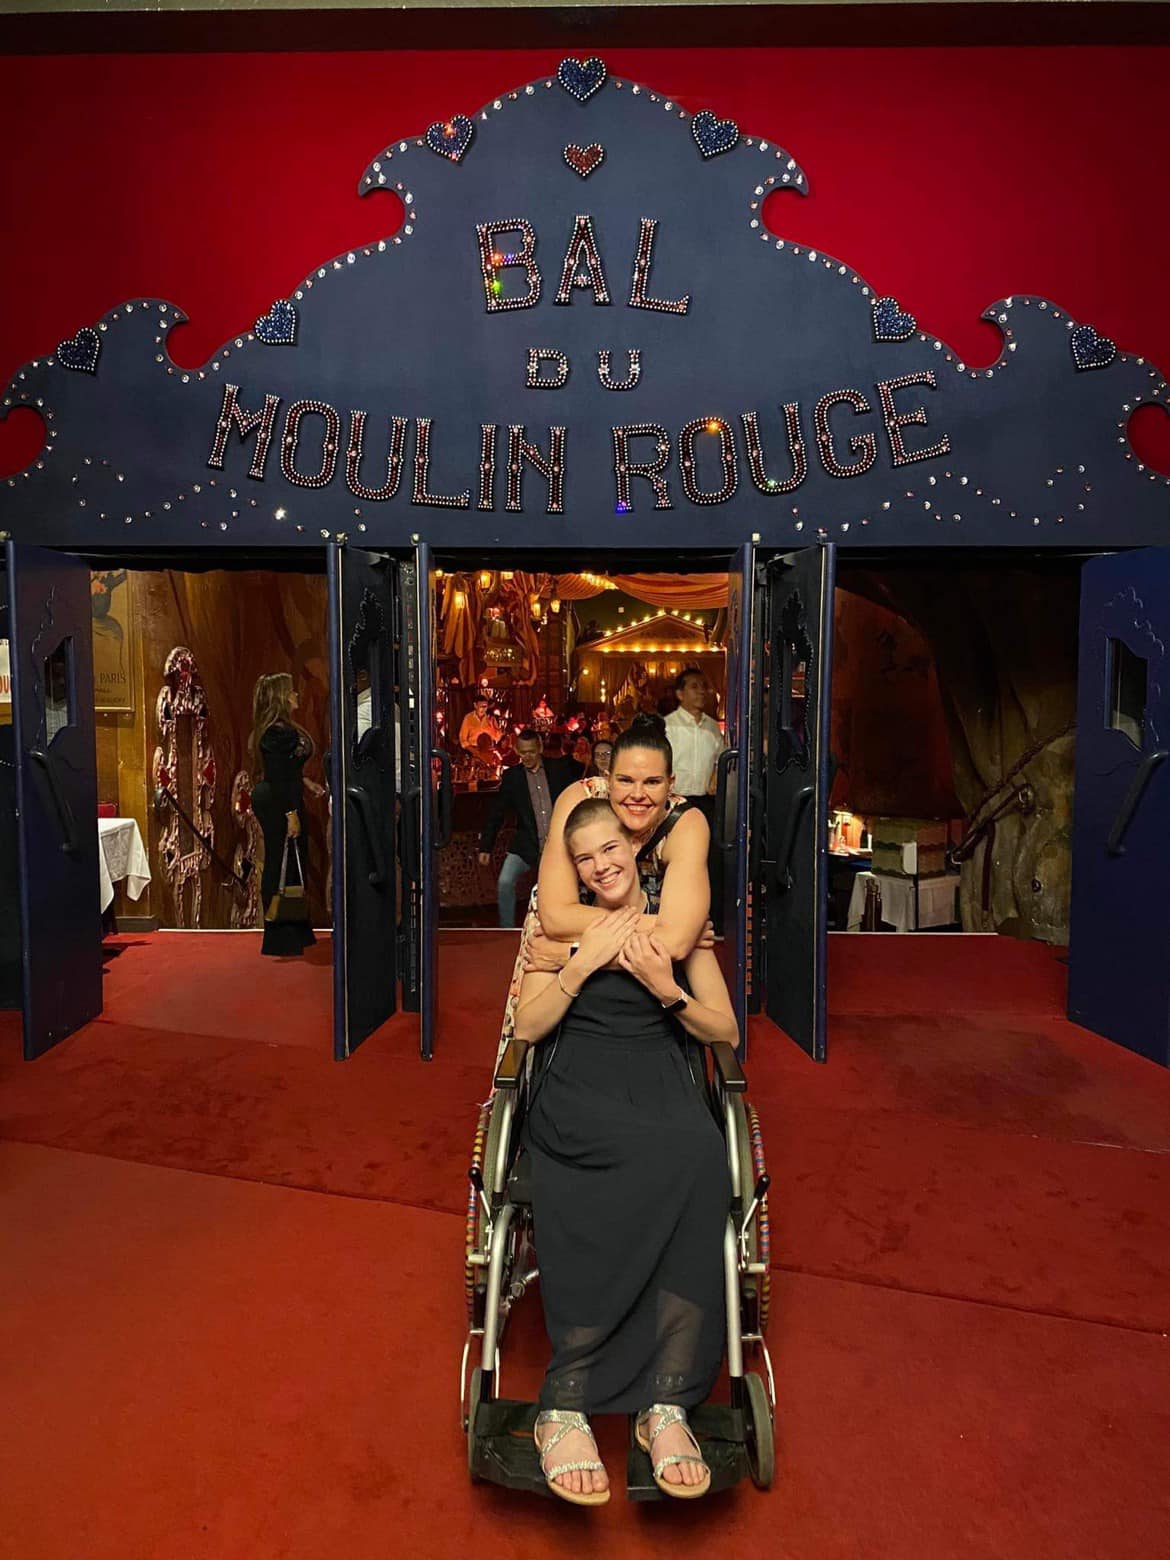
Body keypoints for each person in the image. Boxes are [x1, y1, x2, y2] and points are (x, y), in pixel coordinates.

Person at [513, 796, 737, 1504]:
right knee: (605, 1157)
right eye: (585, 858)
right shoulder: (563, 933)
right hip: (578, 1080)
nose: (602, 863)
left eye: (611, 848)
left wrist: (665, 988)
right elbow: (528, 1026)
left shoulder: (676, 929)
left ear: (635, 851)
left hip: (659, 1072)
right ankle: (566, 1402)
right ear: (575, 872)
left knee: (699, 1153)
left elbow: (724, 1028)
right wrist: (581, 965)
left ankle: (665, 1403)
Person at [249, 672, 325, 958]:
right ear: (281, 697)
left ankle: (293, 932)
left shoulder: (274, 729)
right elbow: (279, 777)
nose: (297, 696)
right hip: (279, 800)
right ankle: (280, 936)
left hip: (280, 795)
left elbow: (284, 770)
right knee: (280, 863)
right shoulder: (280, 732)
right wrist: (291, 812)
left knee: (288, 863)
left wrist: (305, 782)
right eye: (292, 692)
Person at [477, 730, 578, 928]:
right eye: (523, 753)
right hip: (526, 843)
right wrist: (485, 847)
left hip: (558, 844)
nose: (527, 757)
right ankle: (506, 931)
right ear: (517, 750)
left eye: (531, 752)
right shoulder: (512, 777)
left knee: (556, 890)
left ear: (540, 748)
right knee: (505, 882)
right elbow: (498, 812)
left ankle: (556, 928)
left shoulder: (558, 769)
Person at [664, 668, 727, 928]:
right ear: (680, 694)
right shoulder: (668, 726)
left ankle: (708, 918)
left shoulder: (713, 728)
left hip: (705, 803)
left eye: (703, 686)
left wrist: (715, 775)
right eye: (694, 686)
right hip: (675, 801)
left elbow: (722, 762)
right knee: (675, 859)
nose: (702, 691)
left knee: (709, 859)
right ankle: (674, 916)